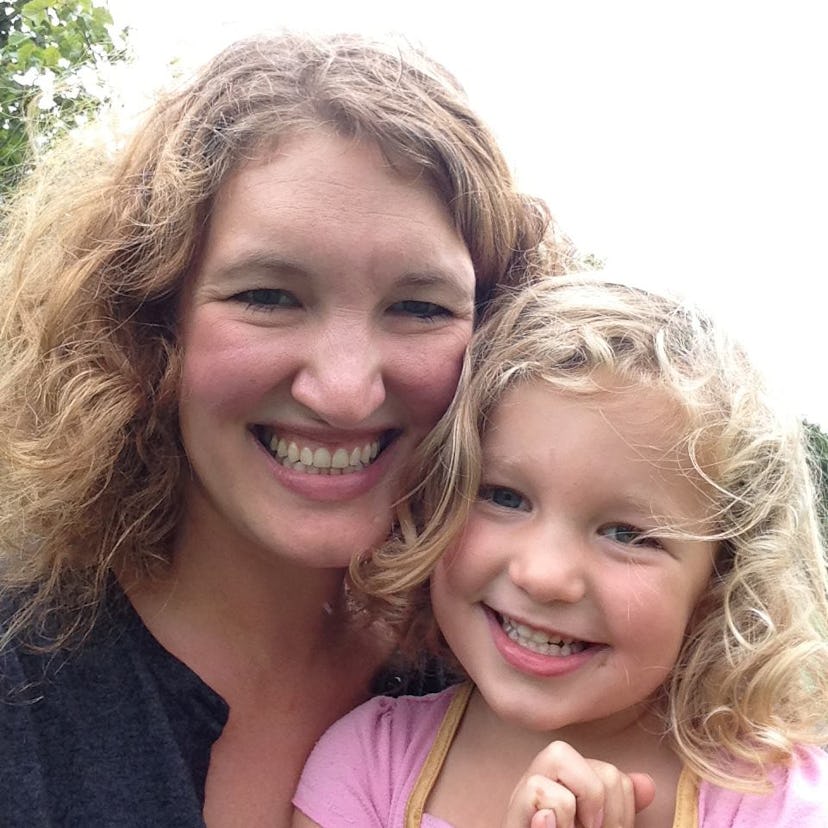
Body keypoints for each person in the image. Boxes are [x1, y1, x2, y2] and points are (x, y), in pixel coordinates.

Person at [0, 32, 573, 827]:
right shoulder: (20, 682)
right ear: (146, 323)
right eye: (268, 296)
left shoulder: (532, 677)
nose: (343, 392)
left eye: (419, 307)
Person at [292, 276, 828, 827]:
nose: (544, 576)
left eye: (626, 534)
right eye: (504, 497)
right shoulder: (370, 763)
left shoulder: (780, 803)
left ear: (720, 583)